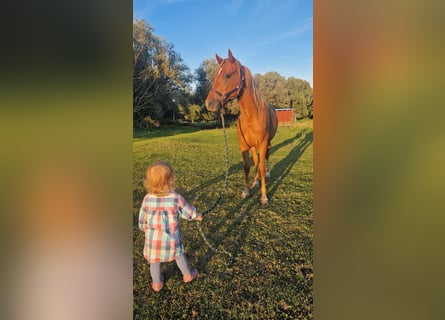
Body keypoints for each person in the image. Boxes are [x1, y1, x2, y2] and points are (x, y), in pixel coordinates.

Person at [138, 161, 202, 292]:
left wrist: (142, 227)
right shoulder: (175, 198)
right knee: (179, 255)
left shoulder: (147, 199)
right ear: (170, 180)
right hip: (172, 240)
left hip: (153, 241)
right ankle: (187, 275)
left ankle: (157, 284)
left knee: (154, 262)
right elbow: (187, 211)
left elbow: (142, 217)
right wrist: (196, 215)